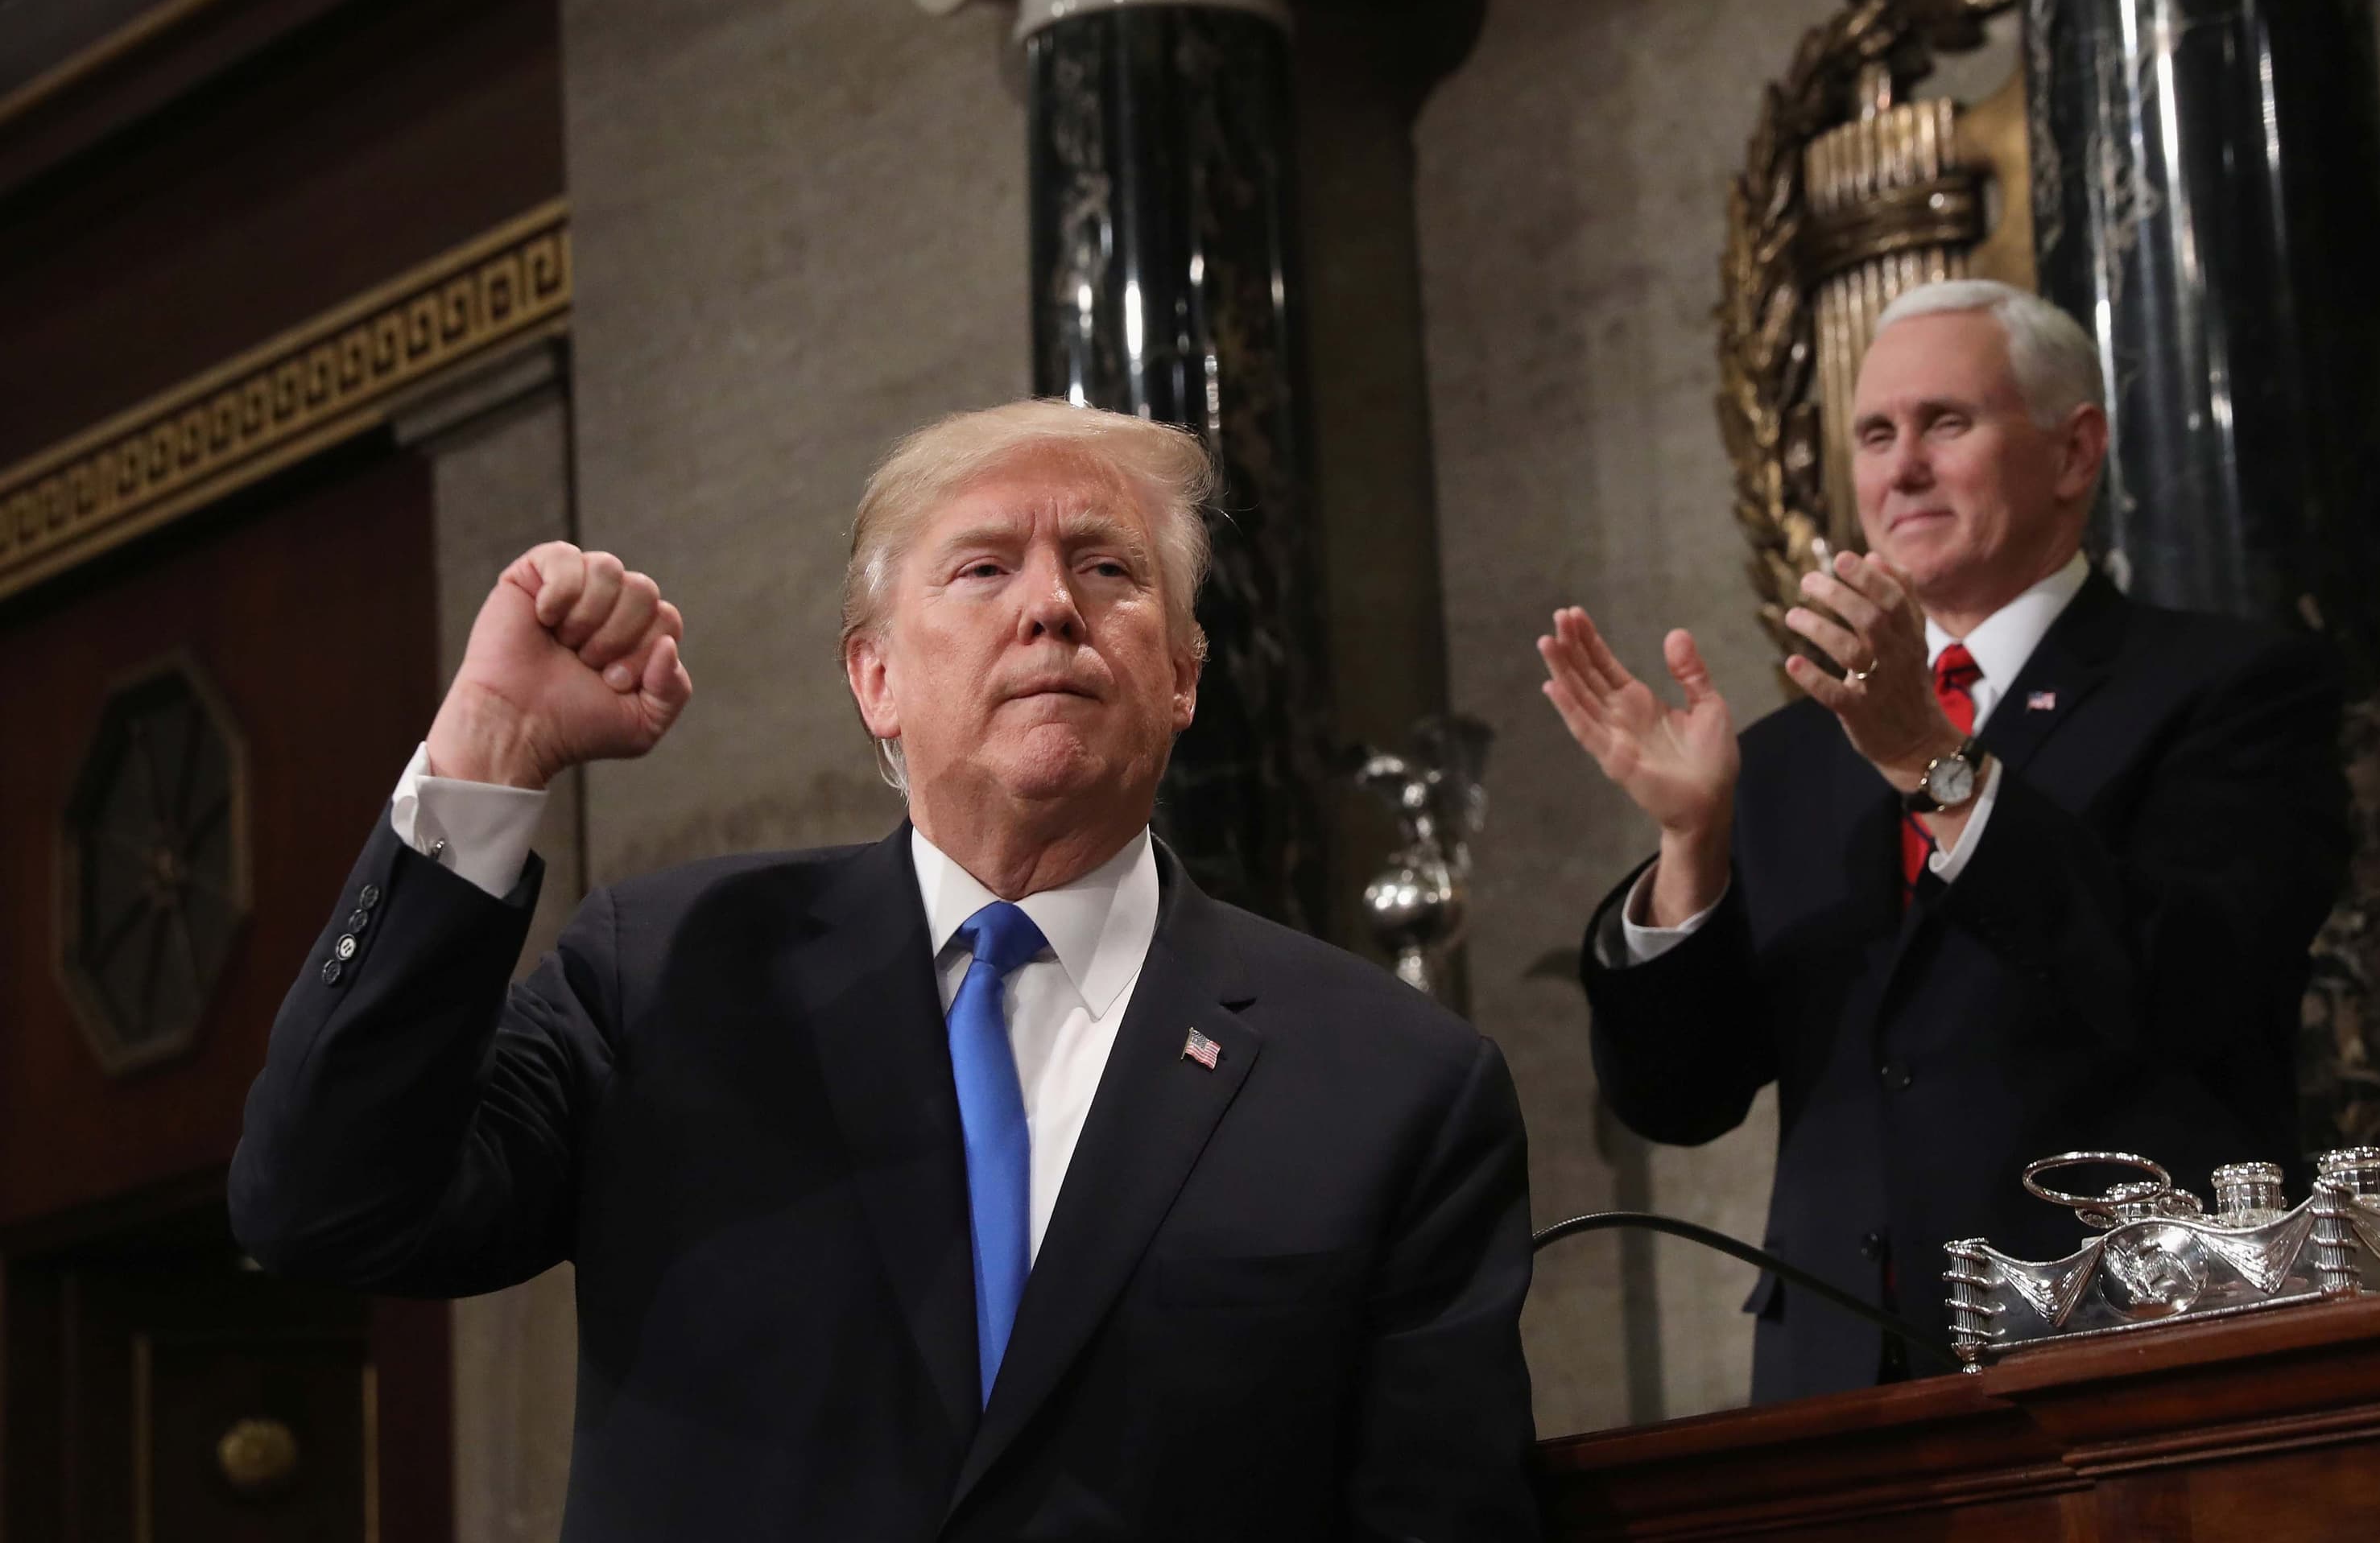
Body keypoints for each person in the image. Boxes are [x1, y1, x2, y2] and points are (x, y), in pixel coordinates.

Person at [230, 400, 1539, 1538]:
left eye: (1107, 570)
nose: (1050, 607)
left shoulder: (1389, 1086)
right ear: (874, 680)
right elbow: (322, 1204)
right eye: (981, 569)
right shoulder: (671, 975)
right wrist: (492, 745)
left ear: (1185, 677)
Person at [1540, 280, 2349, 1403]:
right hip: (1843, 1390)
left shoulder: (2230, 688)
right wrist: (1691, 845)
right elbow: (1680, 1101)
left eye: (1946, 424)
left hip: (2133, 1363)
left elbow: (2192, 985)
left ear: (2075, 452)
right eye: (1875, 434)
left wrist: (1936, 761)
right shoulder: (1784, 757)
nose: (1900, 469)